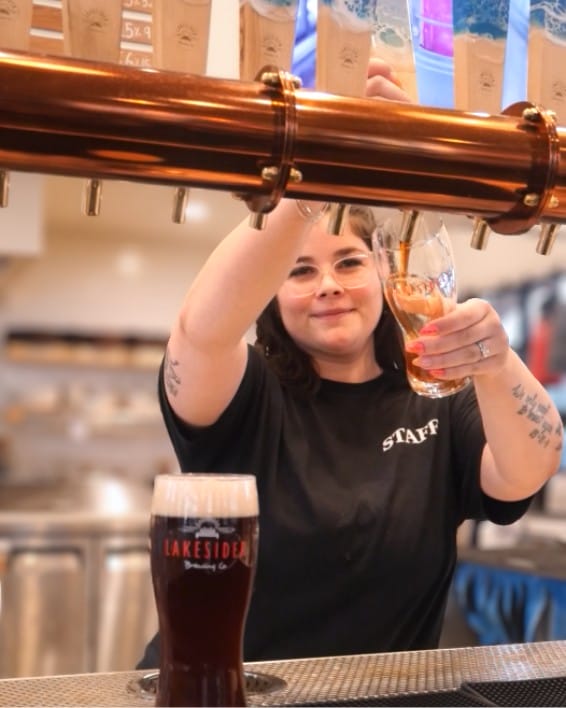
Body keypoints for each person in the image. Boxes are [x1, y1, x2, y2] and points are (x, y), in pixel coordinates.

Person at [138, 58, 563, 666]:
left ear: (385, 275)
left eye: (349, 262)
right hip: (225, 695)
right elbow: (199, 332)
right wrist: (324, 160)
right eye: (300, 271)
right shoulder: (249, 395)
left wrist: (495, 364)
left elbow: (528, 468)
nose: (329, 285)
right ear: (270, 298)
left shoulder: (438, 398)